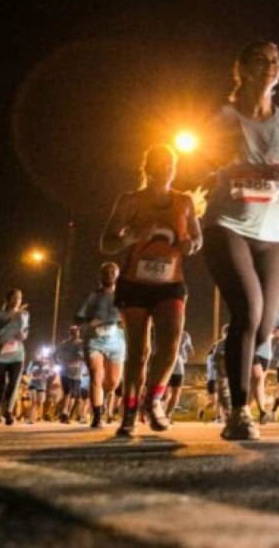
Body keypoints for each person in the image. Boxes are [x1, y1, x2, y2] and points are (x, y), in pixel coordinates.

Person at [202, 40, 279, 441]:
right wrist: (236, 168)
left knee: (264, 329)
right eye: (262, 60)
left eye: (277, 60)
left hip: (273, 233)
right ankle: (240, 412)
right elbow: (201, 163)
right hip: (228, 224)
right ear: (243, 69)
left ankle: (238, 383)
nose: (271, 66)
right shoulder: (223, 118)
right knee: (246, 311)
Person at [101, 144, 203, 437]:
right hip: (135, 284)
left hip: (171, 283)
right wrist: (130, 236)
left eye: (169, 165)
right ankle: (129, 412)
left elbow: (197, 238)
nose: (163, 170)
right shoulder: (130, 201)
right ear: (146, 169)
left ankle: (153, 399)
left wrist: (190, 245)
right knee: (138, 352)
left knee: (171, 345)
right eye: (157, 165)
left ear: (174, 169)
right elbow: (105, 242)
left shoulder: (184, 202)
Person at [76, 262, 126, 429]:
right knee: (96, 375)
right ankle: (97, 416)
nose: (110, 275)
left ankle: (103, 399)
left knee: (113, 382)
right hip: (94, 339)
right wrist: (90, 321)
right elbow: (77, 318)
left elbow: (131, 316)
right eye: (106, 272)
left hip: (116, 341)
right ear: (101, 276)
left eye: (113, 272)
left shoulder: (123, 295)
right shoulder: (92, 296)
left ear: (117, 276)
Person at [0, 289, 30, 427]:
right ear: (7, 299)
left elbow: (26, 330)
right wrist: (8, 321)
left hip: (17, 353)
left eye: (19, 298)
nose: (17, 300)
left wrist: (23, 336)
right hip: (1, 353)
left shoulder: (24, 314)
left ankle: (8, 411)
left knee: (14, 384)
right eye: (14, 297)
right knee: (0, 384)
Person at [55, 325, 86, 424]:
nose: (75, 333)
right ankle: (64, 412)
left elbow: (54, 355)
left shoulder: (76, 343)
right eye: (73, 331)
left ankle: (66, 413)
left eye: (76, 331)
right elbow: (54, 355)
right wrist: (59, 362)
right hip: (70, 372)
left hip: (76, 373)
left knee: (72, 394)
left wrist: (59, 362)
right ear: (70, 332)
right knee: (68, 393)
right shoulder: (77, 343)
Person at [162, 329, 194, 419]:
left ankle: (164, 414)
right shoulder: (185, 334)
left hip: (168, 367)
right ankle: (166, 415)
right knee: (174, 393)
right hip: (176, 367)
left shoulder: (164, 332)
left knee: (167, 393)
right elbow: (191, 351)